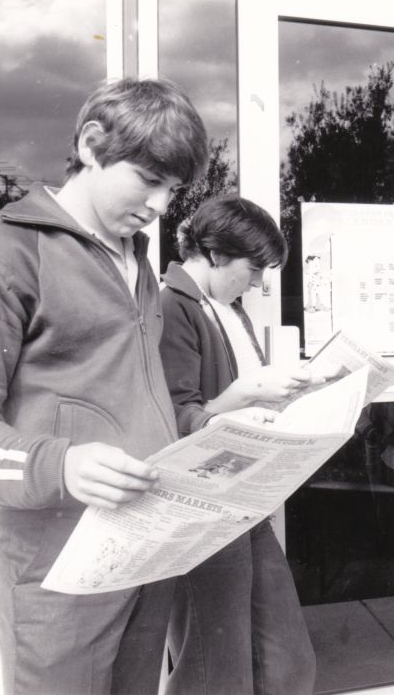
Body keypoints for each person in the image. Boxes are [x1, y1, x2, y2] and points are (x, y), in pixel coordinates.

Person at [0, 77, 208, 694]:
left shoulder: (136, 259)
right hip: (56, 562)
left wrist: (207, 433)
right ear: (92, 145)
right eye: (148, 180)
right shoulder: (3, 252)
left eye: (172, 190)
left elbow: (134, 397)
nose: (160, 206)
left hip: (145, 546)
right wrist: (60, 466)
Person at [159, 195, 317, 695]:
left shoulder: (227, 309)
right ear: (214, 252)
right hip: (200, 510)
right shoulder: (171, 306)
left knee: (285, 660)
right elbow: (177, 419)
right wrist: (248, 393)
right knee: (214, 668)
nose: (259, 284)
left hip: (244, 504)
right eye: (254, 269)